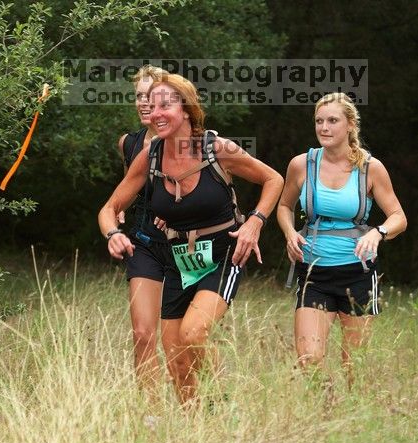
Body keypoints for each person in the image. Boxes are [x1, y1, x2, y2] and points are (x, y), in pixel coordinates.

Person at [99, 73, 283, 405]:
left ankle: (220, 400)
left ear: (186, 109)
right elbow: (109, 208)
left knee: (193, 333)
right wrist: (113, 232)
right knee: (176, 360)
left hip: (221, 255)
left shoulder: (216, 148)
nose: (155, 113)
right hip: (177, 259)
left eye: (165, 105)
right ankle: (198, 422)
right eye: (151, 106)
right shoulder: (151, 155)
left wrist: (255, 223)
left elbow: (273, 178)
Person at [276, 92, 407, 388]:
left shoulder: (370, 168)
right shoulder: (302, 164)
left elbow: (399, 217)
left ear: (349, 125)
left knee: (354, 368)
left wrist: (378, 231)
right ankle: (325, 410)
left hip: (357, 273)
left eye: (332, 121)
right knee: (309, 359)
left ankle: (353, 421)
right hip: (314, 273)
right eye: (319, 121)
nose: (324, 127)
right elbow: (284, 206)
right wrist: (289, 232)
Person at [116, 65, 169, 393]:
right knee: (143, 333)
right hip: (145, 243)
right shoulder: (128, 143)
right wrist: (118, 212)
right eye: (139, 96)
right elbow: (128, 188)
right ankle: (150, 413)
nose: (145, 103)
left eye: (152, 97)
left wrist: (179, 211)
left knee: (185, 336)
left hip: (188, 246)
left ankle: (205, 403)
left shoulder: (188, 141)